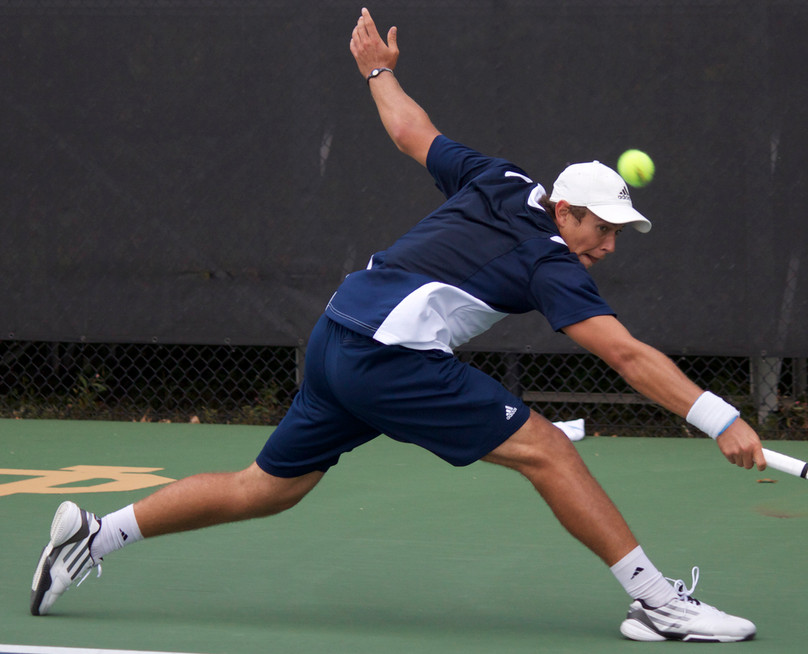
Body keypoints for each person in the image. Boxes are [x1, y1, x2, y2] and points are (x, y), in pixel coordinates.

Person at [30, 7, 766, 643]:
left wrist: (377, 72)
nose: (607, 246)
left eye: (618, 232)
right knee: (547, 451)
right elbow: (626, 356)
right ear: (566, 211)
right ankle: (658, 603)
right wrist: (719, 417)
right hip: (387, 356)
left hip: (336, 333)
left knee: (267, 487)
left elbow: (414, 132)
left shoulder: (502, 179)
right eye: (602, 228)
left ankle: (97, 535)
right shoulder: (550, 261)